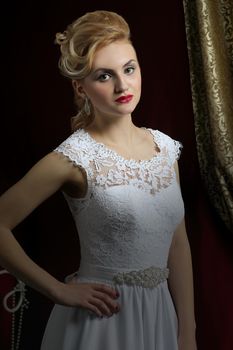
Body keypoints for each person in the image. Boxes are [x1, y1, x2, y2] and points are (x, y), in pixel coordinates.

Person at [0, 10, 197, 350]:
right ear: (81, 86)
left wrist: (188, 330)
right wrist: (57, 290)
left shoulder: (164, 149)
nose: (123, 85)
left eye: (129, 69)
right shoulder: (74, 158)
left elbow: (177, 244)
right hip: (103, 320)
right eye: (104, 76)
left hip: (159, 317)